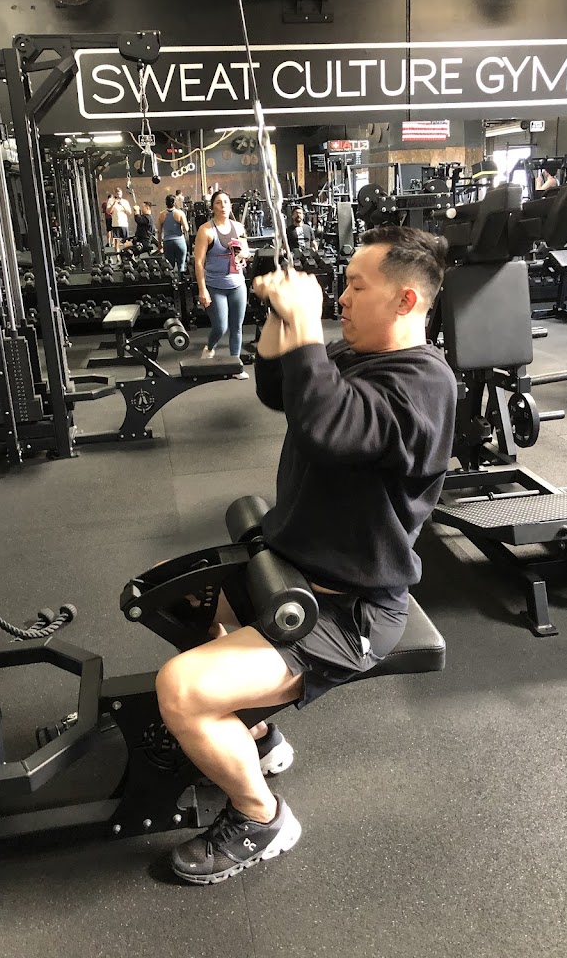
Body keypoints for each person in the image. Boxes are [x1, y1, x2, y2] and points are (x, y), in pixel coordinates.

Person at [155, 225, 458, 885]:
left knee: (180, 690)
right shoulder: (356, 354)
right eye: (341, 285)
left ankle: (260, 818)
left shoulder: (424, 384)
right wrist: (278, 315)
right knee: (181, 606)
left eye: (355, 286)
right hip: (292, 570)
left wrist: (306, 322)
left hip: (349, 609)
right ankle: (258, 737)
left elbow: (328, 427)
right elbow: (279, 391)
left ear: (405, 300)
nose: (341, 297)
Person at [193, 190, 251, 376]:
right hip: (215, 285)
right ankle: (210, 348)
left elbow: (246, 251)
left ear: (230, 206)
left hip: (237, 284)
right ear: (213, 207)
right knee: (220, 327)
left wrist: (244, 255)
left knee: (237, 327)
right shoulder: (206, 230)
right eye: (218, 202)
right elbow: (199, 262)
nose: (223, 205)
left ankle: (236, 366)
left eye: (226, 202)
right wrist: (202, 289)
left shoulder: (238, 227)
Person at [157, 194, 190, 274]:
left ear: (166, 203)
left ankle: (172, 280)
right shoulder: (180, 213)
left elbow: (159, 231)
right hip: (179, 241)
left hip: (167, 242)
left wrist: (159, 243)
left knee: (170, 267)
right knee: (181, 266)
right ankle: (181, 280)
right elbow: (186, 229)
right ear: (174, 202)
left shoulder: (161, 214)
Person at [108, 187, 133, 253]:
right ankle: (118, 256)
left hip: (124, 223)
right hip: (116, 223)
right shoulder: (111, 201)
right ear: (115, 194)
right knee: (117, 241)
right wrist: (114, 203)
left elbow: (129, 212)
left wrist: (122, 205)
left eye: (120, 194)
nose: (119, 195)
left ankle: (127, 254)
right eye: (117, 194)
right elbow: (108, 211)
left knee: (126, 241)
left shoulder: (125, 202)